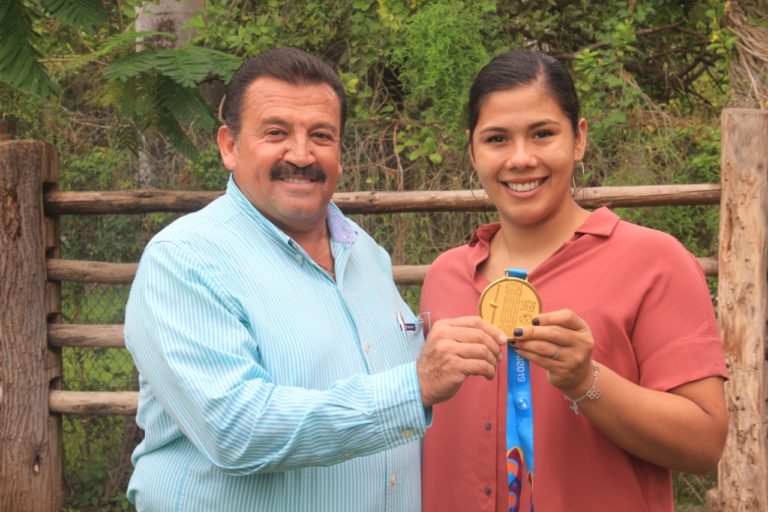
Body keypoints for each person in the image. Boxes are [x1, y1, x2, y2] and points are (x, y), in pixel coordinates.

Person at [124, 47, 507, 511]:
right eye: (276, 132)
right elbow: (236, 430)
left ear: (340, 154)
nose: (301, 155)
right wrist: (414, 387)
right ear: (229, 145)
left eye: (321, 135)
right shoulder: (186, 260)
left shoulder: (364, 253)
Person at [420, 50, 728, 512]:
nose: (521, 159)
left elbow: (704, 444)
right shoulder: (445, 276)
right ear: (472, 150)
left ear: (579, 139)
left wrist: (588, 381)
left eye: (543, 134)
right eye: (497, 139)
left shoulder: (654, 261)